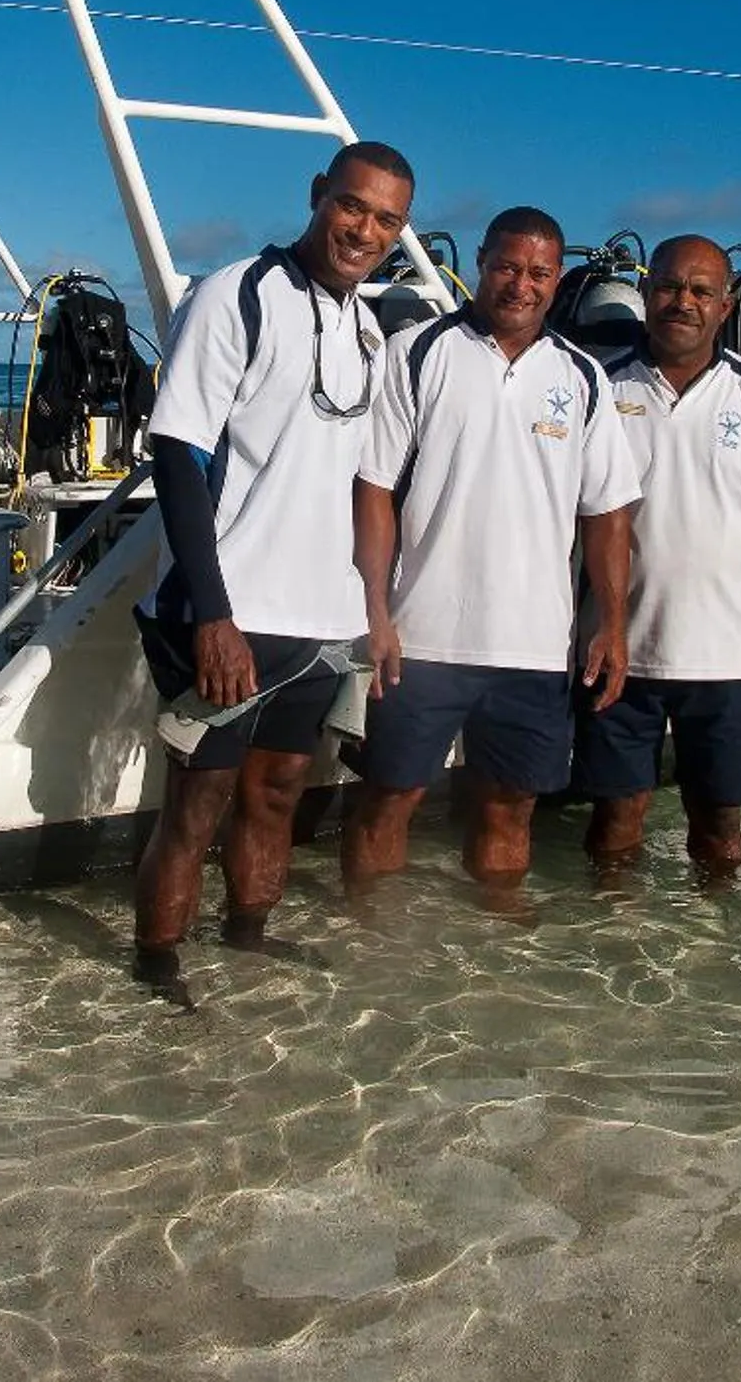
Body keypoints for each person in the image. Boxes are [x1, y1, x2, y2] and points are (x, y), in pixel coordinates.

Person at [130, 140, 416, 998]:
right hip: (226, 610)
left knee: (281, 790)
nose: (364, 230)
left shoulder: (369, 326)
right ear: (318, 193)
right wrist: (212, 615)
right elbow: (176, 455)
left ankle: (247, 937)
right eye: (352, 206)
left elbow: (366, 485)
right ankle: (157, 962)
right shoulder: (235, 296)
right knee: (199, 799)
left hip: (320, 618)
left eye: (386, 219)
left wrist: (372, 610)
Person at [344, 207, 639, 892]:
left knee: (511, 813)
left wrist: (612, 624)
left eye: (538, 272)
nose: (520, 285)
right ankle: (361, 958)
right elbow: (374, 488)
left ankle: (497, 972)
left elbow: (607, 514)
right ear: (481, 261)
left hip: (533, 648)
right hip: (421, 638)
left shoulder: (582, 377)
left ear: (558, 279)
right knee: (388, 801)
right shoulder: (415, 350)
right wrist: (376, 613)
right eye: (507, 266)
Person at [575, 234, 741, 878]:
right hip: (618, 651)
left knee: (720, 831)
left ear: (728, 304)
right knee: (615, 826)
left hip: (728, 655)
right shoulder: (599, 388)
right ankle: (608, 962)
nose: (684, 302)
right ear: (647, 294)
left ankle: (715, 965)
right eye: (670, 288)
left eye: (701, 291)